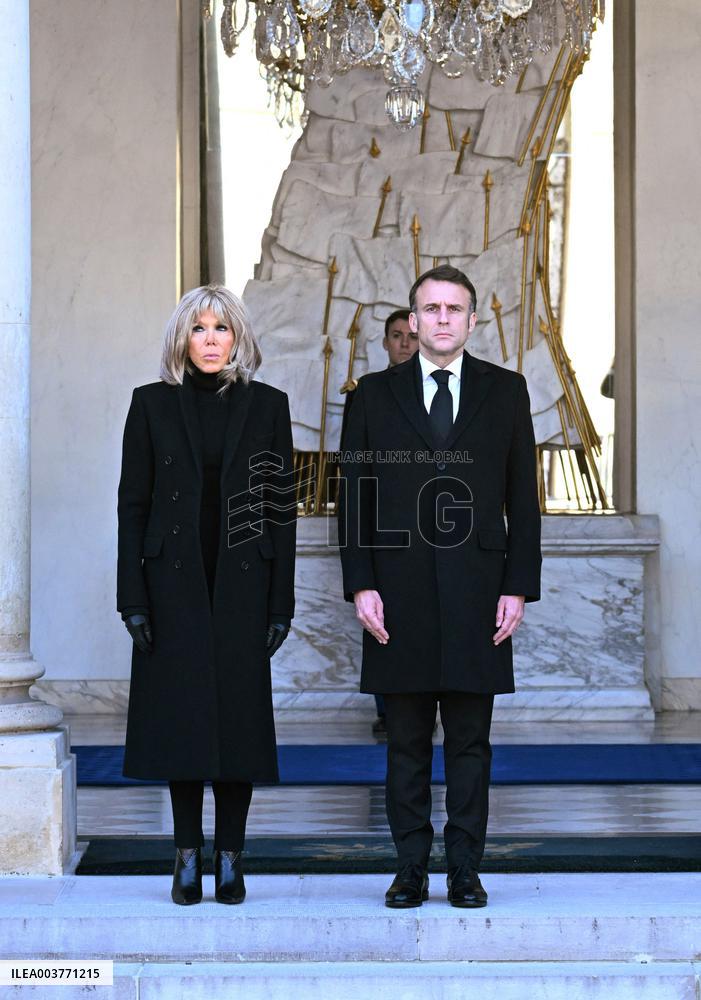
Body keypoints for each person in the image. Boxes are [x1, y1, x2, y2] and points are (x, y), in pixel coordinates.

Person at [340, 265, 541, 909]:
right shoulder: (371, 395)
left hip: (481, 593)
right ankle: (409, 869)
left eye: (455, 309)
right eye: (431, 309)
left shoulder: (506, 392)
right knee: (403, 743)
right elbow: (355, 500)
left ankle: (465, 870)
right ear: (413, 319)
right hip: (396, 594)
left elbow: (523, 500)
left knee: (470, 743)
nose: (443, 318)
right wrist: (360, 584)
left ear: (472, 320)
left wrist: (519, 587)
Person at [117, 285, 296, 905]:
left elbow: (281, 511)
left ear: (239, 337)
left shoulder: (269, 406)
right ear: (182, 339)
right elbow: (131, 506)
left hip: (244, 584)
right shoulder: (150, 405)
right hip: (172, 586)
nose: (212, 339)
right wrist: (131, 598)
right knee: (182, 722)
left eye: (222, 328)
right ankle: (187, 855)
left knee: (238, 725)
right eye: (200, 329)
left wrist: (282, 604)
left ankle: (231, 857)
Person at [339, 309, 419, 736]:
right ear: (385, 343)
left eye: (410, 335)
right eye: (396, 336)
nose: (404, 343)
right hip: (382, 531)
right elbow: (355, 469)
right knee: (382, 626)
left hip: (431, 527)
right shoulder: (365, 393)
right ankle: (388, 710)